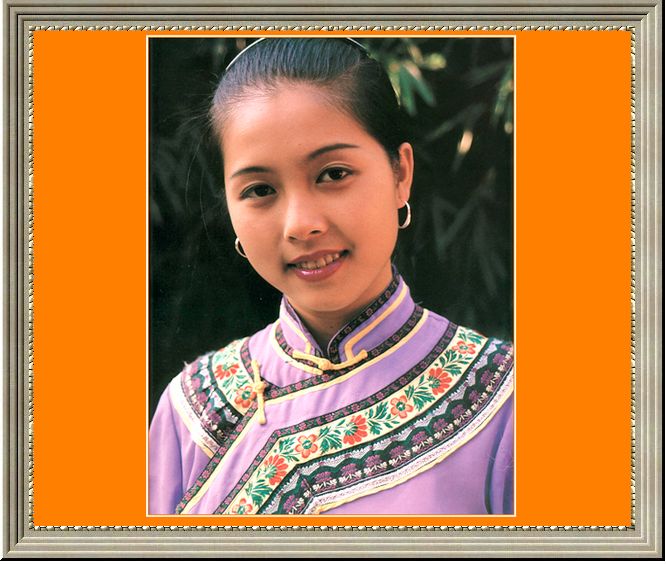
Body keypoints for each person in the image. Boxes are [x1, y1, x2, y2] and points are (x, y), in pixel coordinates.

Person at [149, 37, 514, 515]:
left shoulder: (507, 401)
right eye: (259, 190)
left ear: (400, 174)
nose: (301, 225)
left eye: (334, 174)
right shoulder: (190, 409)